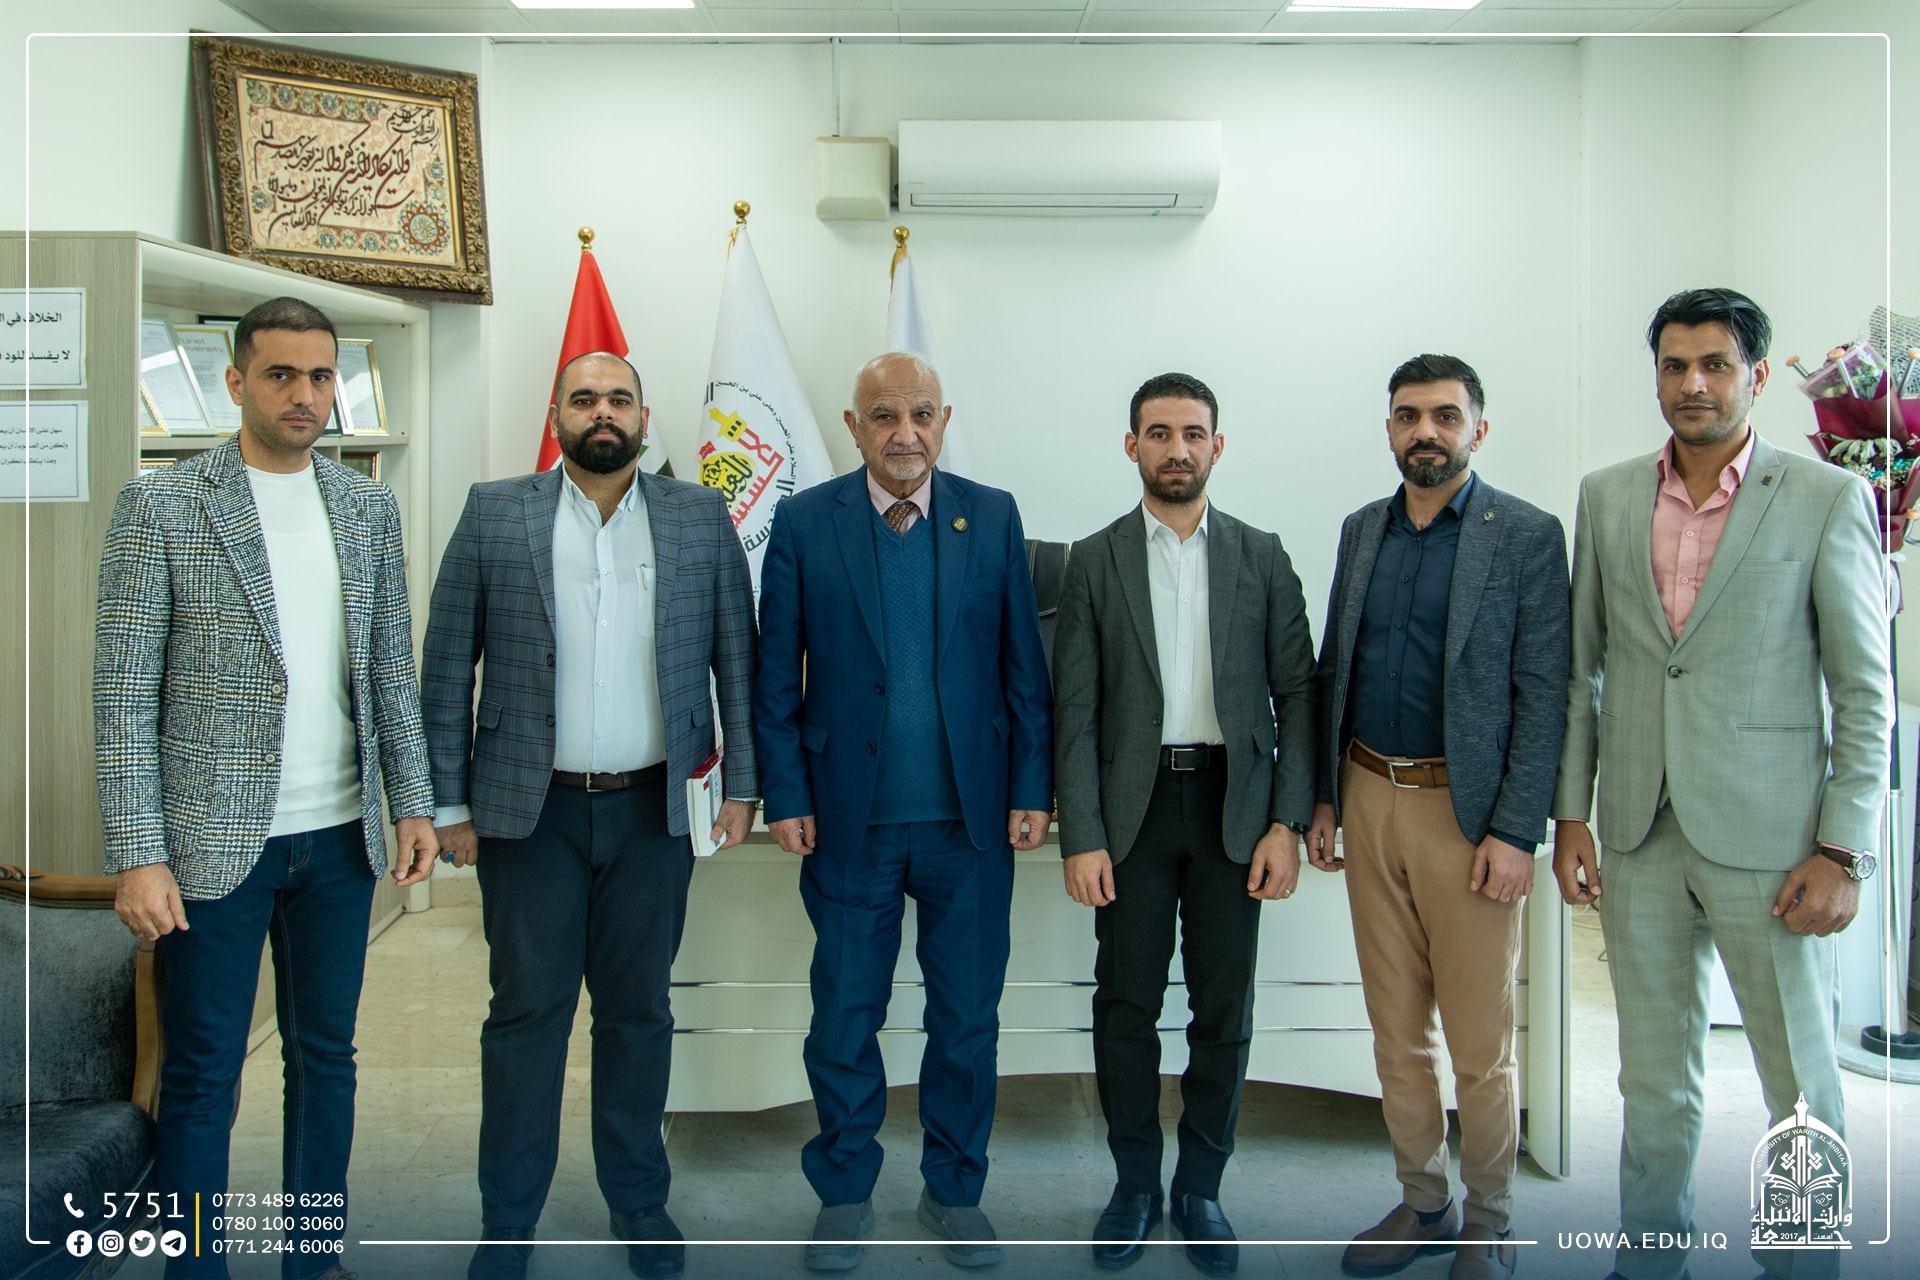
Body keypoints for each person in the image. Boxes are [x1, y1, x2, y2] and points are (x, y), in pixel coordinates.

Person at [95, 296, 438, 1279]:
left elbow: (389, 674)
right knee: (204, 1071)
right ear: (237, 380)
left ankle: (310, 1258)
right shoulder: (162, 505)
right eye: (281, 374)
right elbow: (122, 693)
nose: (304, 395)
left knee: (326, 1057)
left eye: (321, 376)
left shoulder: (367, 508)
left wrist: (411, 802)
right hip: (209, 847)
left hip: (339, 838)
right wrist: (139, 853)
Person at [1552, 288, 1889, 1280]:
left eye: (1715, 364)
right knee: (1652, 1076)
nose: (1692, 382)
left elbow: (1864, 692)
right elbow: (1583, 671)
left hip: (1776, 841)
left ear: (1757, 375)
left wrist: (1844, 850)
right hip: (1639, 827)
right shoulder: (1608, 495)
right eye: (1674, 365)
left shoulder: (1826, 497)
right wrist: (1572, 814)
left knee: (1798, 1080)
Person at [421, 352, 758, 1280]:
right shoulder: (495, 511)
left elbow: (738, 659)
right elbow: (446, 664)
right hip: (528, 816)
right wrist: (446, 803)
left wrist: (742, 787)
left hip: (655, 811)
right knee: (526, 1016)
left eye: (618, 399)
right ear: (556, 416)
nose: (601, 412)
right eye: (583, 399)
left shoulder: (698, 515)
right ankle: (508, 1219)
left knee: (638, 1013)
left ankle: (638, 1201)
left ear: (643, 417)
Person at [753, 351, 1052, 1273]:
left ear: (944, 419)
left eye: (921, 413)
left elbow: (1024, 671)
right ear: (854, 427)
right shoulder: (805, 521)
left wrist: (1031, 788)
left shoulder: (992, 515)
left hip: (971, 826)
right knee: (846, 1017)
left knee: (965, 1021)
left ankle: (954, 1192)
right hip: (850, 823)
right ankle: (845, 1194)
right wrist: (786, 792)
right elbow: (775, 675)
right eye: (884, 415)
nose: (904, 432)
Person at [1306, 355, 1570, 1280]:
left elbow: (1545, 693)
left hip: (1471, 814)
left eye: (1446, 416)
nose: (1426, 431)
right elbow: (1334, 669)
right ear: (1389, 428)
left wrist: (1517, 831)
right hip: (1368, 792)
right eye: (1409, 415)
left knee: (1480, 1043)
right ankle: (1424, 1202)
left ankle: (1489, 1220)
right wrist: (1323, 797)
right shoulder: (1361, 530)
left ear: (1477, 430)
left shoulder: (1527, 536)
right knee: (1395, 1029)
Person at [1052, 372, 1316, 1277]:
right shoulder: (1094, 559)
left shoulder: (1262, 556)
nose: (1177, 449)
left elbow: (1298, 696)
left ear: (1217, 446)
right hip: (1130, 816)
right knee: (1126, 1005)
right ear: (1133, 446)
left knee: (1223, 1008)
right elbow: (1074, 710)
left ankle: (1201, 1187)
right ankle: (1134, 1185)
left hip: (1232, 812)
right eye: (1158, 433)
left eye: (1192, 433)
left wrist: (1286, 822)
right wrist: (1082, 834)